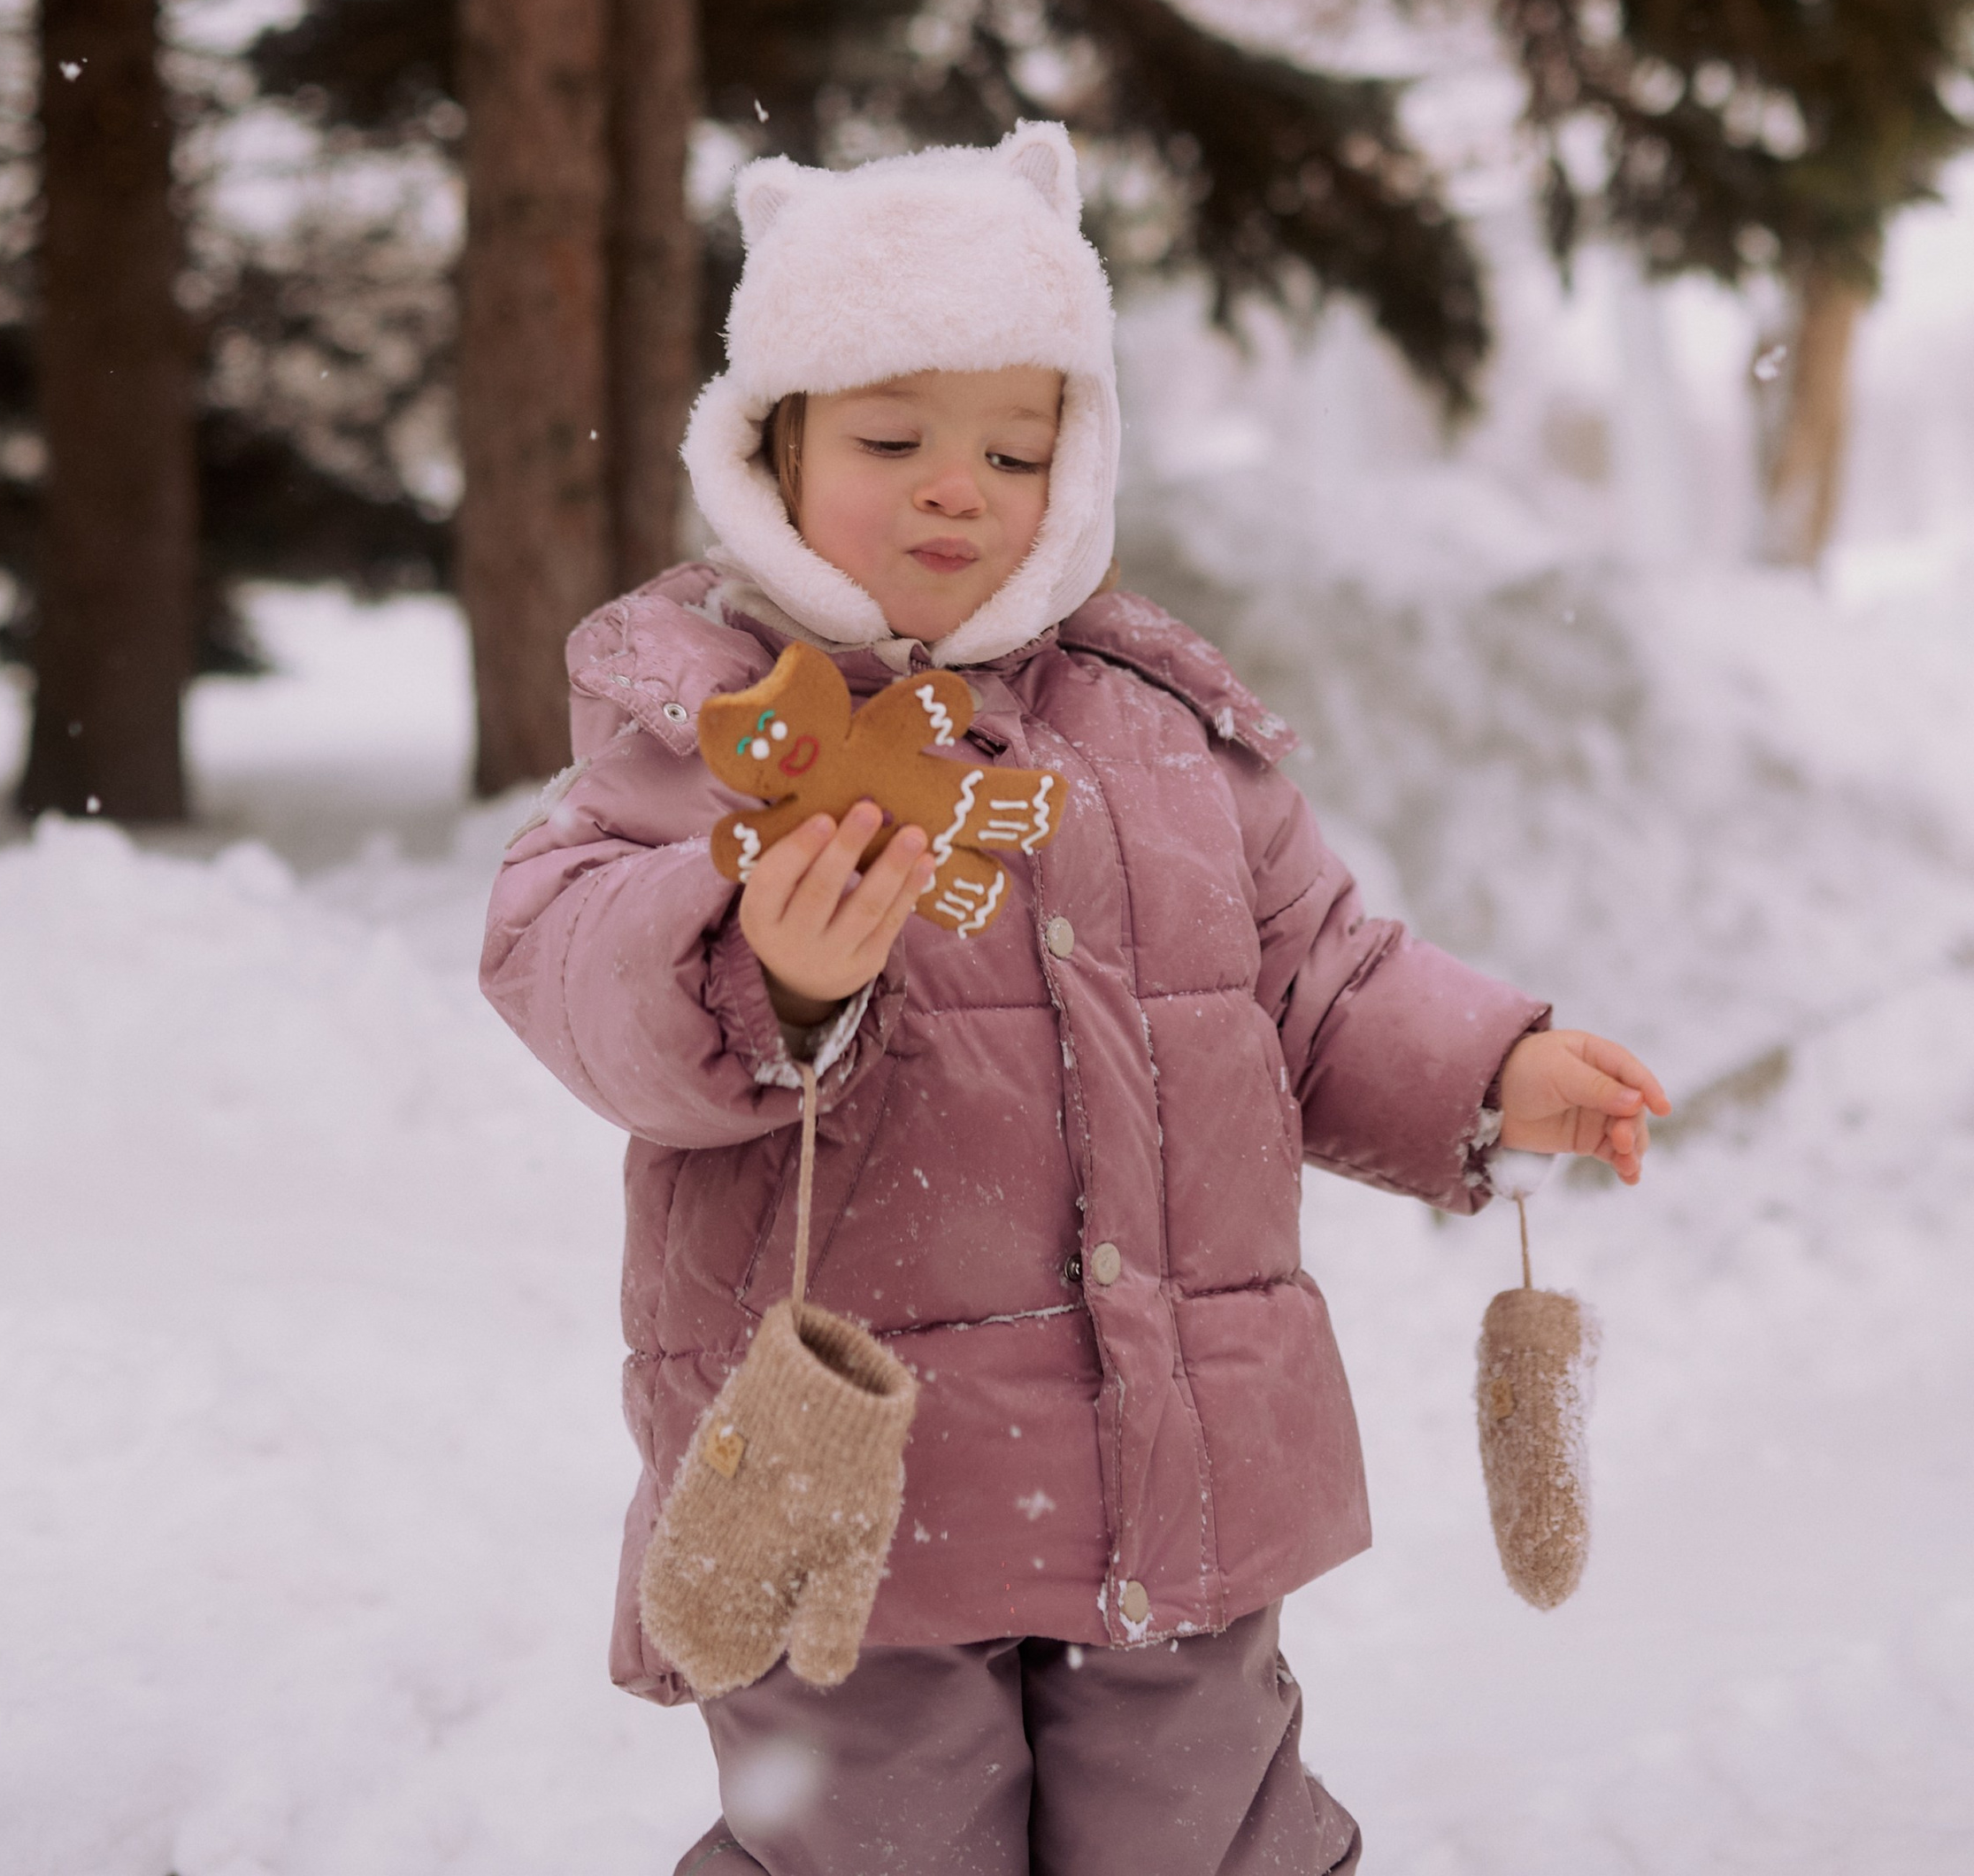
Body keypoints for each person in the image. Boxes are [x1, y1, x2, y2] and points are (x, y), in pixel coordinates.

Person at [480, 124, 1668, 1876]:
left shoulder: (1159, 726)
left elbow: (1315, 977)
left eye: (1012, 445)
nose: (954, 485)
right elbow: (559, 955)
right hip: (853, 1483)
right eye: (889, 438)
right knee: (876, 1839)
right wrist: (761, 964)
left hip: (1174, 1464)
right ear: (770, 451)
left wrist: (1490, 1070)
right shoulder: (715, 724)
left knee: (1189, 1832)